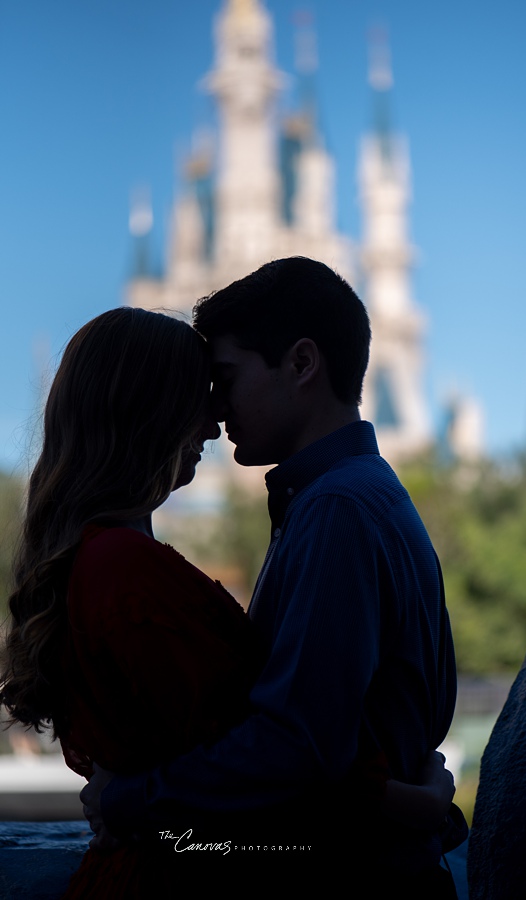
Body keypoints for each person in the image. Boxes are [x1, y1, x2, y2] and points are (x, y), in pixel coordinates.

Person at [0, 306, 455, 897]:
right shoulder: (125, 568)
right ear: (148, 411)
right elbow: (279, 765)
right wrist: (420, 801)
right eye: (201, 395)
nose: (215, 423)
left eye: (224, 386)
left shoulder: (115, 560)